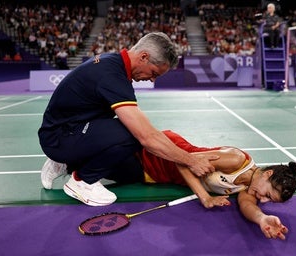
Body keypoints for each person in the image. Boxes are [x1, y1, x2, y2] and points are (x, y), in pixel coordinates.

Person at [38, 32, 217, 206]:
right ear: (144, 57)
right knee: (132, 135)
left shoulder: (113, 63)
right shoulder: (112, 76)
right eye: (154, 73)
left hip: (70, 129)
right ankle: (82, 181)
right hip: (58, 137)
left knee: (131, 170)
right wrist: (191, 160)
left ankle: (67, 162)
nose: (151, 79)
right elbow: (147, 137)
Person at [45, 129, 296, 240]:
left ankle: (67, 164)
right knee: (116, 159)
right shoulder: (236, 161)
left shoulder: (249, 189)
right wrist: (205, 197)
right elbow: (184, 161)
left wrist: (262, 218)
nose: (262, 200)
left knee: (118, 174)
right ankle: (62, 161)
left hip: (158, 176)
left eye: (268, 202)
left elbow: (247, 205)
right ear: (266, 174)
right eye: (267, 195)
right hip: (165, 154)